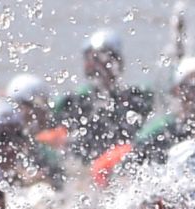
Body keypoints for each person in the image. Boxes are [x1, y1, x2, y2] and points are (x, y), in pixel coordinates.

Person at [51, 28, 154, 160]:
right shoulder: (75, 100)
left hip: (119, 164)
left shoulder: (135, 98)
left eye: (103, 60)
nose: (97, 66)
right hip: (81, 167)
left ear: (118, 62)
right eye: (92, 60)